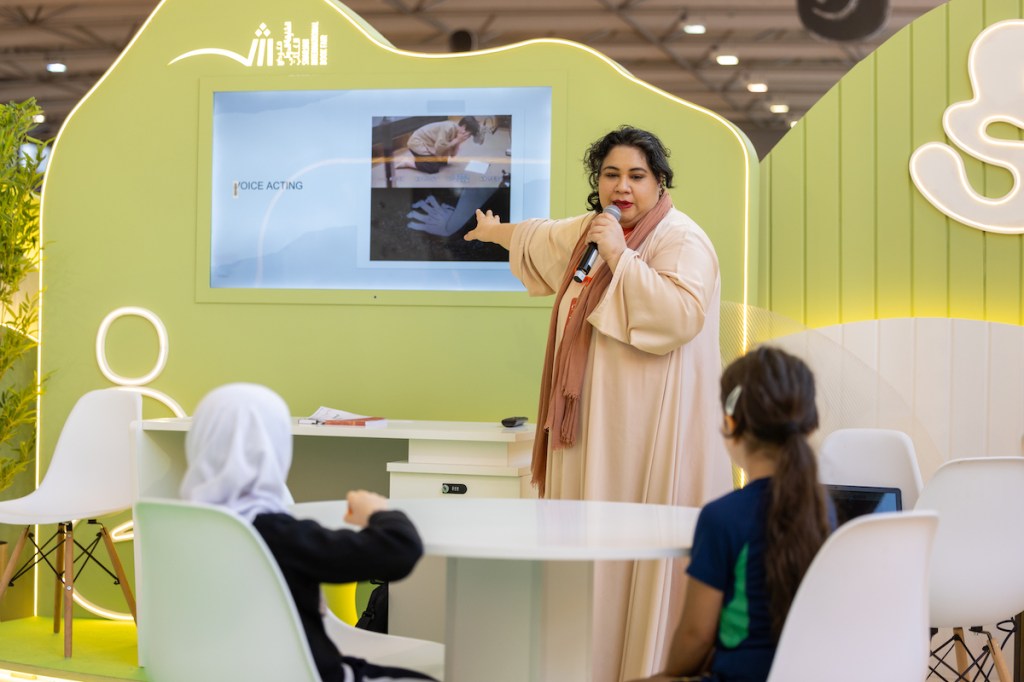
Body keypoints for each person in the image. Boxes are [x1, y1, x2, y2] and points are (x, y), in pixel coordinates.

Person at [464, 125, 732, 680]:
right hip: (587, 432)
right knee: (585, 555)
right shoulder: (595, 230)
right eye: (611, 175)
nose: (622, 187)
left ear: (659, 182)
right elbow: (540, 237)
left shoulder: (681, 240)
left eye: (636, 175)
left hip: (646, 439)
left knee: (630, 557)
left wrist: (619, 256)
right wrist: (494, 232)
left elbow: (681, 315)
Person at [180, 383, 437, 682]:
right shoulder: (276, 534)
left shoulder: (181, 525)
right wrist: (378, 512)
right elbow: (399, 550)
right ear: (275, 448)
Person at [634, 346, 834, 682]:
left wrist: (671, 674)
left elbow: (695, 637)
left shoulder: (722, 518)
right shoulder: (824, 510)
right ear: (807, 426)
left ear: (731, 423)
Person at [394, 116, 481, 174]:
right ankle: (408, 162)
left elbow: (452, 155)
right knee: (433, 168)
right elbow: (438, 149)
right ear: (464, 127)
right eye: (469, 134)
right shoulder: (448, 128)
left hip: (430, 145)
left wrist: (458, 142)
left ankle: (421, 160)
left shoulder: (458, 133)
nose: (467, 137)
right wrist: (456, 141)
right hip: (417, 142)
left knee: (443, 162)